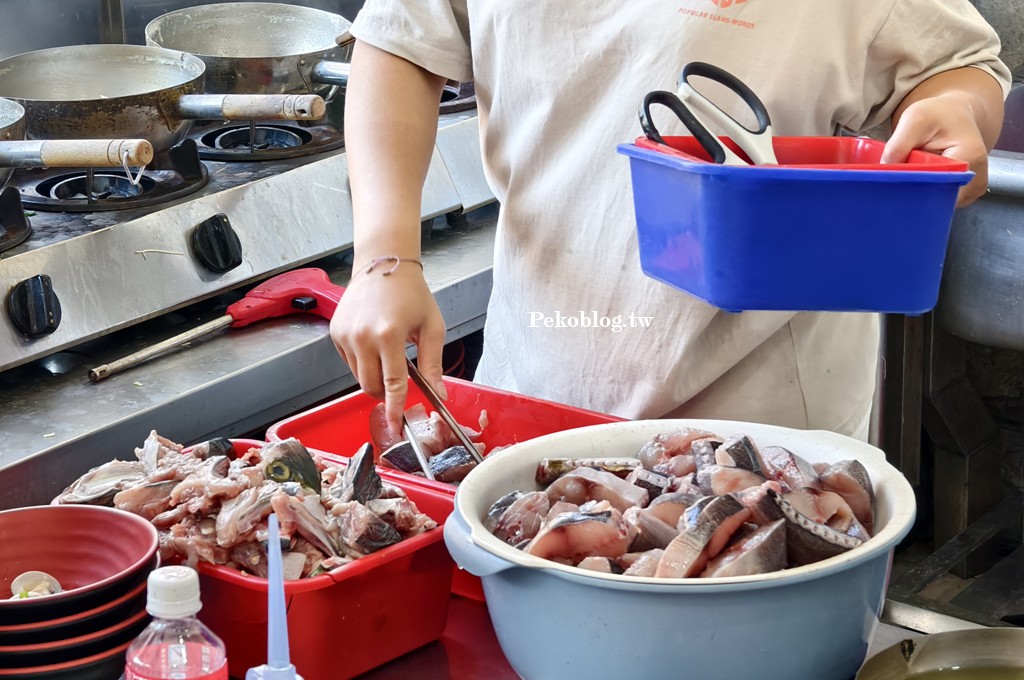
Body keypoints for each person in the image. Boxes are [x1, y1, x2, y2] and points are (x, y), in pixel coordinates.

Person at [329, 0, 1010, 442]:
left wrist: (960, 113)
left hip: (766, 420)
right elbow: (400, 44)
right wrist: (384, 259)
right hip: (537, 379)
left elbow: (958, 64)